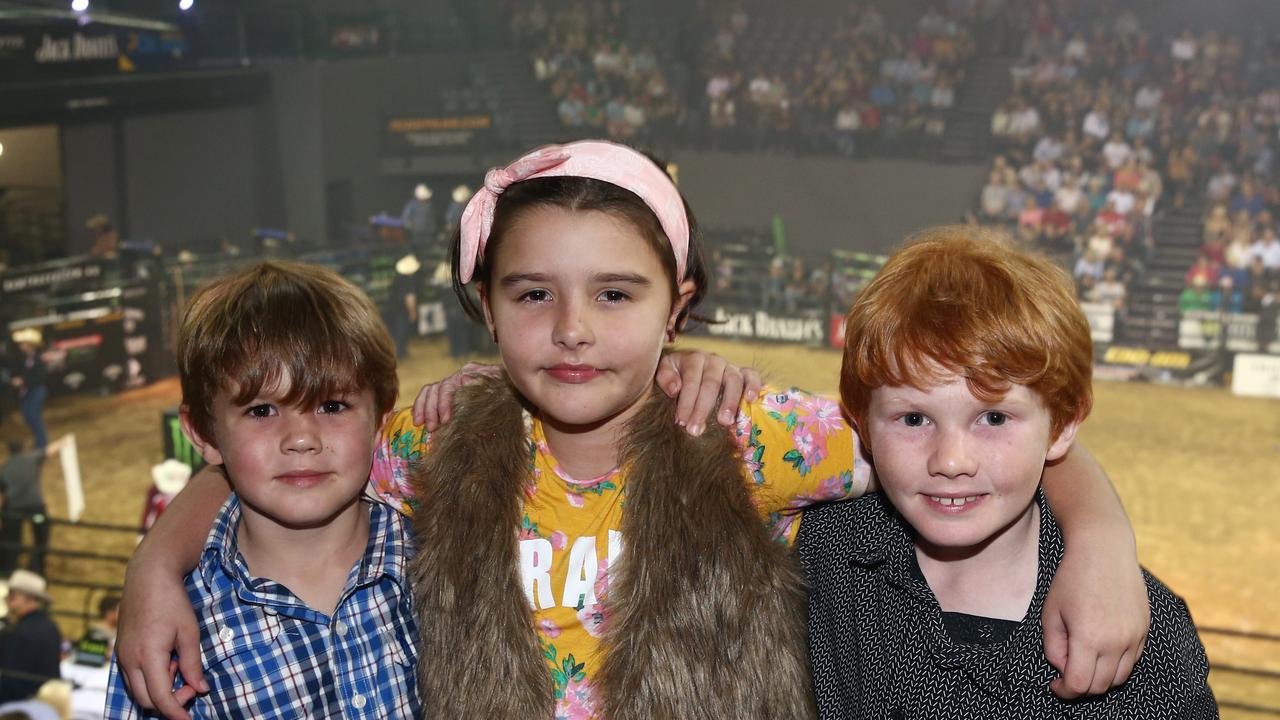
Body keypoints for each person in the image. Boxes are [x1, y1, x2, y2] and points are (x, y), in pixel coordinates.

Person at [117, 141, 1148, 719]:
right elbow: (275, 458)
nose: (571, 331)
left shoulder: (747, 432)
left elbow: (972, 432)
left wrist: (1097, 540)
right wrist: (156, 573)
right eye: (532, 295)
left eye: (614, 294)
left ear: (679, 303)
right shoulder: (437, 442)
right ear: (484, 307)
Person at [800, 227, 1217, 718]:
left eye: (994, 418)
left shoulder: (1146, 634)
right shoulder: (816, 556)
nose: (951, 461)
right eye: (913, 419)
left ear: (1062, 425)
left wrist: (1100, 537)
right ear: (861, 422)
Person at [102, 261, 424, 718]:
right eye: (260, 411)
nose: (300, 438)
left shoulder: (439, 554)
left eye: (332, 405)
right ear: (204, 434)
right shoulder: (171, 630)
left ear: (380, 420)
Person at [0, 570, 61, 704]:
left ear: (29, 599)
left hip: (19, 705)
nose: (6, 599)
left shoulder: (19, 632)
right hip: (45, 702)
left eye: (12, 596)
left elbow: (11, 683)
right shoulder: (50, 626)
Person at [0, 440, 57, 576]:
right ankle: (37, 568)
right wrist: (64, 442)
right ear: (23, 449)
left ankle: (10, 570)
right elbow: (50, 451)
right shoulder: (31, 458)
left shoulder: (5, 466)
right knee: (40, 537)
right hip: (35, 508)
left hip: (14, 511)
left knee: (12, 541)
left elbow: (2, 493)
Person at [7, 330, 47, 455]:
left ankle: (41, 445)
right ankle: (39, 442)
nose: (20, 346)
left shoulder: (38, 358)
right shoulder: (28, 358)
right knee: (29, 415)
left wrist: (23, 381)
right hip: (30, 390)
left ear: (30, 344)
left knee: (33, 417)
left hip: (37, 390)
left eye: (23, 343)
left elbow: (40, 377)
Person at [385, 253, 420, 359]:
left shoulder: (396, 278)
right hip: (403, 310)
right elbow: (410, 298)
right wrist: (413, 312)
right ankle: (400, 353)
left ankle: (400, 352)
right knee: (403, 332)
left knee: (397, 332)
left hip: (394, 309)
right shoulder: (408, 281)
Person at [400, 183, 436, 250]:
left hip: (426, 232)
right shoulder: (411, 205)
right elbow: (406, 217)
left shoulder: (428, 206)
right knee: (417, 247)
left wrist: (432, 229)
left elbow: (430, 218)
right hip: (415, 232)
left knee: (426, 248)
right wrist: (409, 226)